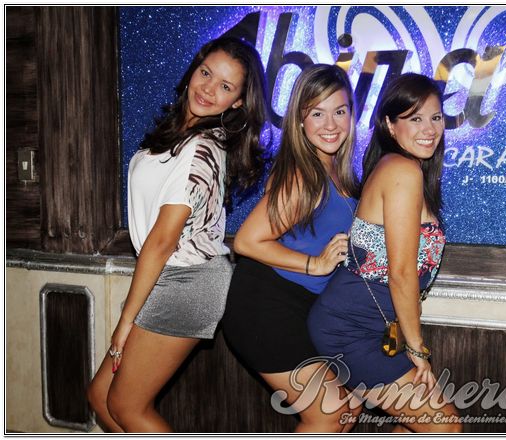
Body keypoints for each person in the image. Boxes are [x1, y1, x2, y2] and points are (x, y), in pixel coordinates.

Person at [86, 36, 267, 432]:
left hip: (188, 281)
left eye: (225, 86)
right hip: (166, 274)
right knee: (101, 397)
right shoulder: (178, 135)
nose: (208, 89)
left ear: (238, 102)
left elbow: (162, 241)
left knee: (127, 406)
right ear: (193, 70)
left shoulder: (201, 149)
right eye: (206, 73)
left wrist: (125, 321)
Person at [307, 73, 461, 433]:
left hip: (371, 325)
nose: (429, 129)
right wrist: (418, 349)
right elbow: (401, 274)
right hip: (350, 328)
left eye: (436, 117)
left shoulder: (402, 169)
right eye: (415, 118)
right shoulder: (402, 171)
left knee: (411, 426)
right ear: (390, 125)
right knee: (444, 427)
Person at [221, 64, 360, 433]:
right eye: (317, 113)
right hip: (267, 306)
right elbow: (247, 241)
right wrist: (316, 264)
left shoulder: (339, 175)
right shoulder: (303, 176)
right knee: (330, 413)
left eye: (339, 111)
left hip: (304, 309)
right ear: (300, 120)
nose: (330, 124)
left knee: (347, 409)